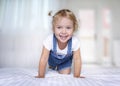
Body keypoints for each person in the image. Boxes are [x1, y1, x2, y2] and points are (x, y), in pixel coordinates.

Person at [36, 9, 83, 78]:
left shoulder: (75, 41)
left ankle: (59, 68)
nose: (63, 31)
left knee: (66, 73)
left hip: (65, 62)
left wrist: (77, 76)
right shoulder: (49, 40)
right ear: (53, 28)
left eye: (68, 28)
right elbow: (44, 58)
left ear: (74, 29)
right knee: (50, 68)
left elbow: (77, 59)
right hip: (52, 62)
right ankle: (53, 67)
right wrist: (41, 75)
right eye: (59, 27)